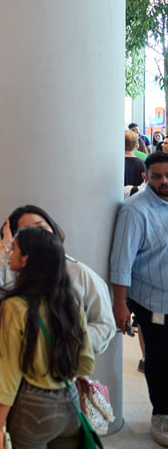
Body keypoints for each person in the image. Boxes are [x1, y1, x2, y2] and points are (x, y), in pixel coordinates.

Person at [0, 227, 95, 449]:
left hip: (32, 407)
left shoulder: (15, 306)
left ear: (26, 259)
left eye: (14, 249)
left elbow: (9, 371)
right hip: (70, 404)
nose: (9, 253)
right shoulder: (71, 299)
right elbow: (86, 361)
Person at [0, 205, 116, 356]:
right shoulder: (8, 270)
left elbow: (104, 324)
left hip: (65, 364)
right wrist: (4, 244)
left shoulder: (79, 273)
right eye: (27, 232)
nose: (38, 235)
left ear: (53, 229)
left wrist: (66, 343)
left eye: (41, 228)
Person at [111, 150, 168, 445]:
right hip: (153, 301)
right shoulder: (135, 210)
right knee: (160, 358)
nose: (164, 181)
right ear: (146, 177)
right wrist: (120, 304)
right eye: (157, 176)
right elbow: (122, 261)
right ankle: (162, 415)